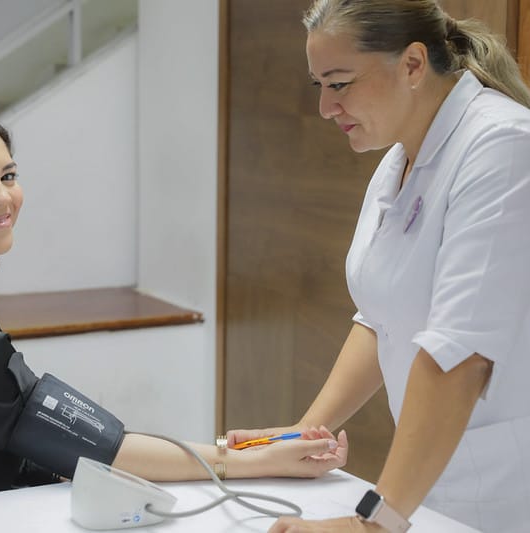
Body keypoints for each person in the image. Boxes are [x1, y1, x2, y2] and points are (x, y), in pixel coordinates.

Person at [0, 105, 347, 510]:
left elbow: (74, 439)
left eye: (8, 176)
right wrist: (248, 462)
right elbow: (101, 447)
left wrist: (239, 451)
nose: (1, 198)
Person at [227, 1, 530, 532]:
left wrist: (371, 524)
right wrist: (301, 434)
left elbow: (461, 355)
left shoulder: (503, 146)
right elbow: (380, 316)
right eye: (319, 85)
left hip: (504, 489)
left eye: (339, 84)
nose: (325, 107)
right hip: (429, 484)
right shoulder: (400, 158)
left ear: (412, 64)